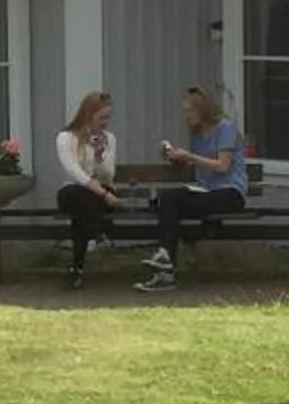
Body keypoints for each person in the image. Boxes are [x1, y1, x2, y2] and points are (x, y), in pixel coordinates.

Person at [139, 82, 247, 290]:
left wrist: (189, 156)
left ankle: (165, 261)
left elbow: (222, 166)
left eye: (190, 111)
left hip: (230, 192)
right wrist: (177, 159)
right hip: (205, 190)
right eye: (185, 111)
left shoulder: (225, 128)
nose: (187, 116)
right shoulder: (197, 134)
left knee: (171, 202)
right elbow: (198, 166)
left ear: (203, 110)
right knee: (165, 200)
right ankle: (165, 263)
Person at [52, 90, 121, 291]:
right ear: (88, 115)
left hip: (99, 195)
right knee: (78, 196)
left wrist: (100, 156)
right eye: (102, 117)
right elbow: (74, 172)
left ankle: (77, 269)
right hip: (78, 192)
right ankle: (98, 234)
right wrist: (104, 194)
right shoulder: (65, 138)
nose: (106, 122)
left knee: (81, 214)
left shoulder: (109, 138)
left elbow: (108, 176)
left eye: (108, 117)